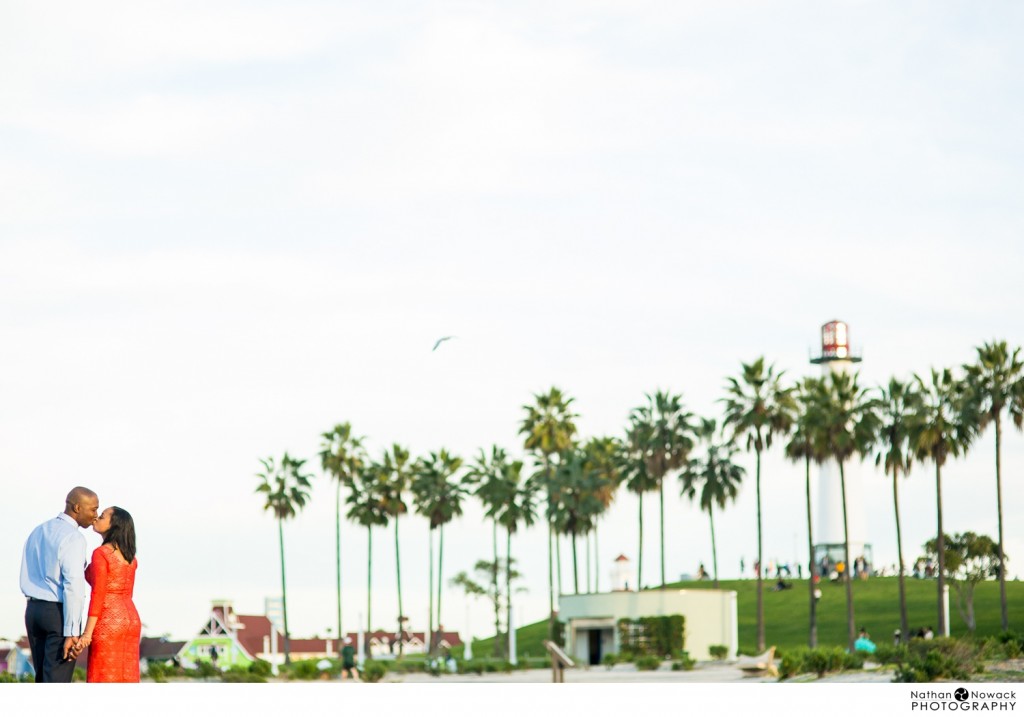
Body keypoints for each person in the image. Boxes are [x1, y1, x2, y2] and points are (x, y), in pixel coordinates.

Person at [20, 486, 99, 682]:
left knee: (42, 678)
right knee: (56, 682)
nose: (96, 515)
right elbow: (73, 585)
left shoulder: (38, 531)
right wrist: (72, 632)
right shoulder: (74, 537)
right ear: (77, 507)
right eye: (93, 509)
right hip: (58, 614)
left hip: (33, 612)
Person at [80, 506, 142, 682]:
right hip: (131, 620)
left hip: (109, 619)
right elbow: (128, 592)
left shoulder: (101, 553)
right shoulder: (131, 558)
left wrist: (87, 633)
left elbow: (99, 594)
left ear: (114, 524)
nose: (96, 518)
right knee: (126, 676)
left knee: (103, 676)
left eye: (102, 516)